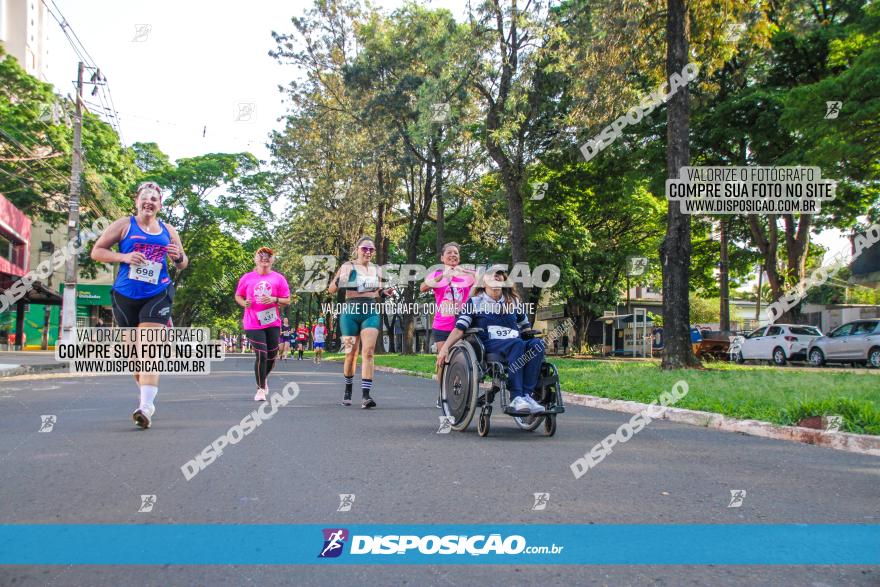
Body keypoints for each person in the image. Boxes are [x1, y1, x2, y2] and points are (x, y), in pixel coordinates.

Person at [90, 181, 187, 429]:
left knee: (149, 349)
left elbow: (182, 262)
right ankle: (147, 397)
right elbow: (97, 251)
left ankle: (145, 408)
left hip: (158, 292)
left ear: (160, 205)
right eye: (145, 197)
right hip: (125, 295)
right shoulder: (124, 225)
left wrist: (178, 257)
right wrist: (123, 256)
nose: (149, 202)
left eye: (154, 199)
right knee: (133, 356)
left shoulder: (168, 229)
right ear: (137, 201)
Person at [436, 269, 545, 415]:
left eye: (498, 275)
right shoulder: (474, 302)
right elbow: (459, 329)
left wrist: (529, 337)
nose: (495, 277)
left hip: (515, 344)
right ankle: (516, 397)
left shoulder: (513, 301)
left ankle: (526, 396)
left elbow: (525, 327)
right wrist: (445, 348)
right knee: (517, 344)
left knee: (537, 345)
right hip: (490, 346)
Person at [328, 236, 396, 408]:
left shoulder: (376, 269)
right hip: (350, 312)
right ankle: (348, 390)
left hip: (370, 311)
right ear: (357, 250)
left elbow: (376, 292)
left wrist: (385, 292)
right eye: (364, 248)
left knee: (368, 352)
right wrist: (339, 280)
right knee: (350, 354)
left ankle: (366, 396)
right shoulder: (347, 266)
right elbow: (331, 289)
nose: (368, 252)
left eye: (371, 249)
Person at [420, 242, 475, 408]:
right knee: (444, 360)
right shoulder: (437, 273)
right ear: (442, 258)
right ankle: (442, 393)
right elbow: (423, 287)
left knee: (460, 361)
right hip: (442, 325)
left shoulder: (466, 275)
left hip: (461, 326)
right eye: (449, 253)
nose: (453, 255)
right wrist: (443, 275)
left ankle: (457, 393)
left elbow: (483, 280)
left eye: (456, 253)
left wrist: (463, 271)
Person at [234, 247, 291, 401]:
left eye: (268, 256)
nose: (264, 258)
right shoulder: (247, 278)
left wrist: (274, 299)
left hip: (272, 321)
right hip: (252, 322)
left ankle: (262, 379)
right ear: (255, 259)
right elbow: (238, 296)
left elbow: (287, 300)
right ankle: (260, 389)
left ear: (272, 260)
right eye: (261, 256)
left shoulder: (279, 278)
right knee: (262, 354)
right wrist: (244, 303)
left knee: (272, 356)